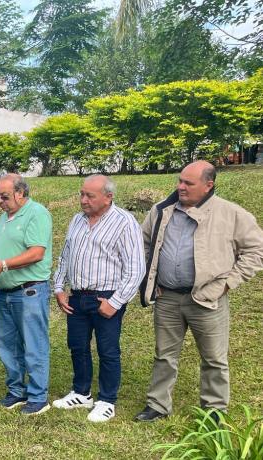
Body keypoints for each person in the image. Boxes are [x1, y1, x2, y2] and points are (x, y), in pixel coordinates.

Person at [134, 161, 263, 422]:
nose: (181, 187)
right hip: (167, 297)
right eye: (180, 181)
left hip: (208, 298)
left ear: (208, 185)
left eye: (188, 183)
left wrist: (227, 283)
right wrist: (151, 276)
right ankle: (158, 405)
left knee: (214, 358)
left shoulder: (231, 213)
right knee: (164, 355)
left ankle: (214, 410)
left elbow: (256, 250)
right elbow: (143, 244)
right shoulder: (161, 210)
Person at [52, 175, 145, 422]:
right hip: (77, 296)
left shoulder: (124, 222)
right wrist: (59, 288)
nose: (83, 200)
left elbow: (136, 268)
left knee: (108, 350)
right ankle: (81, 393)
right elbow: (65, 256)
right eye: (82, 194)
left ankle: (107, 400)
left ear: (108, 197)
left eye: (90, 196)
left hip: (106, 297)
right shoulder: (77, 220)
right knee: (77, 346)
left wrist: (115, 302)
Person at [0, 174, 53, 416]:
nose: (0, 202)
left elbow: (36, 253)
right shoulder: (4, 218)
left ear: (21, 193)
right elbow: (6, 249)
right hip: (5, 293)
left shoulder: (36, 213)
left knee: (34, 345)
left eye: (5, 197)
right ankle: (17, 391)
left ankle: (38, 397)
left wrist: (4, 265)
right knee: (7, 346)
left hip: (29, 291)